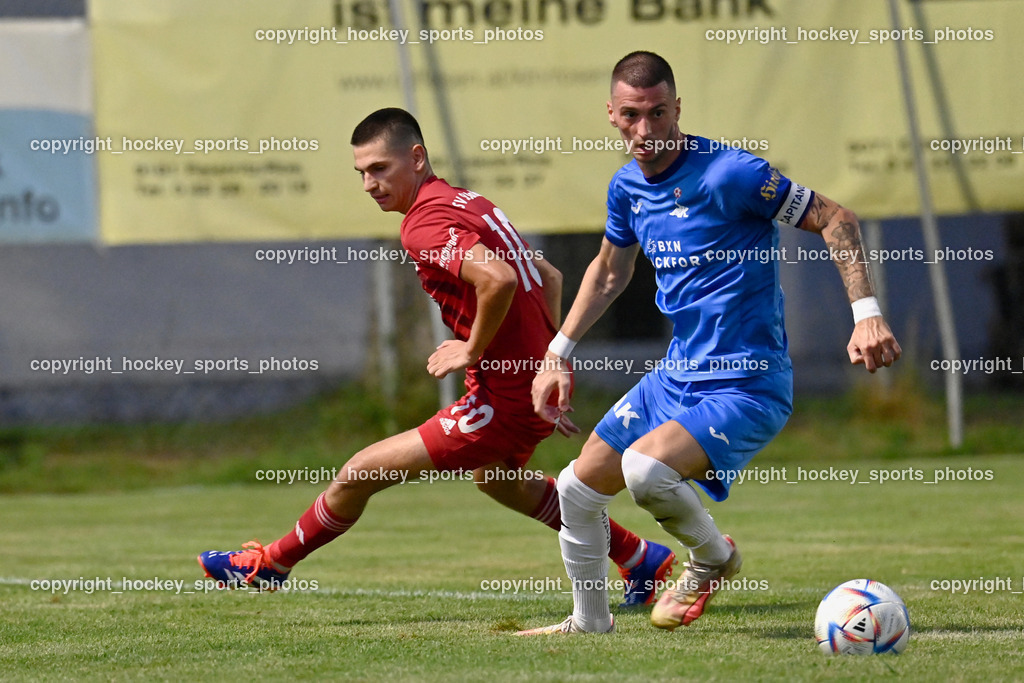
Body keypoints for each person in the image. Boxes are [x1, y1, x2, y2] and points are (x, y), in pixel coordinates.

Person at [198, 107, 675, 607]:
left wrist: (474, 349)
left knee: (359, 472)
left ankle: (271, 564)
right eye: (361, 172)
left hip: (506, 395)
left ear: (417, 158)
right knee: (499, 481)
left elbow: (500, 279)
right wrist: (549, 364)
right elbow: (550, 276)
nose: (369, 183)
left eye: (380, 168)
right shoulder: (469, 202)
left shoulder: (423, 223)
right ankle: (639, 557)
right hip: (529, 383)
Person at [517, 51, 902, 635]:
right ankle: (588, 624)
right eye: (632, 115)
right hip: (675, 377)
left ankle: (712, 559)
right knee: (575, 488)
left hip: (748, 382)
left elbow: (836, 217)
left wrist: (866, 314)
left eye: (659, 113)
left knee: (646, 470)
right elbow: (609, 272)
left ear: (678, 108)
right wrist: (556, 355)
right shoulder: (625, 188)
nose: (646, 130)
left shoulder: (732, 174)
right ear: (612, 116)